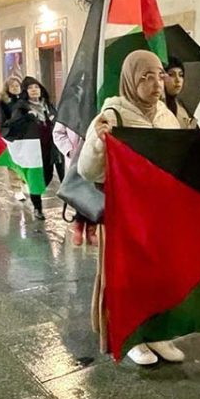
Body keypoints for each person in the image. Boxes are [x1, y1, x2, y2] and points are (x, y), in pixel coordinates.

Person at [79, 50, 184, 366]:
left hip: (160, 212)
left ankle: (156, 333)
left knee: (159, 275)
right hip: (125, 214)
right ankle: (133, 336)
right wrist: (99, 142)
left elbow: (177, 159)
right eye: (146, 77)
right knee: (128, 276)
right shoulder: (112, 115)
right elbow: (88, 170)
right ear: (130, 80)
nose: (157, 84)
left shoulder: (167, 115)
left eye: (159, 75)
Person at [5, 77, 63, 220]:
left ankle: (33, 191)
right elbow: (12, 125)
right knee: (36, 179)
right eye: (30, 88)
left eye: (36, 87)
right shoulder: (21, 107)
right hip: (32, 149)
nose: (34, 90)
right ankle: (38, 208)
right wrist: (26, 118)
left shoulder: (48, 105)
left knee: (48, 176)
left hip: (50, 148)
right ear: (26, 91)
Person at [52, 122, 99, 247]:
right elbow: (57, 133)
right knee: (80, 196)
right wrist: (70, 151)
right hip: (76, 162)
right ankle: (78, 228)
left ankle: (91, 230)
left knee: (95, 197)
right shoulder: (69, 111)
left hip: (96, 161)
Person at [0, 76, 27, 201]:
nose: (15, 88)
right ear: (7, 88)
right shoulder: (3, 101)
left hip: (26, 135)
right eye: (12, 86)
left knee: (26, 162)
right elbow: (1, 119)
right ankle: (16, 188)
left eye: (17, 85)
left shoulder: (25, 100)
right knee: (13, 163)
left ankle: (24, 183)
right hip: (10, 135)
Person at [163, 56, 198, 129]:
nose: (178, 80)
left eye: (181, 75)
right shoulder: (153, 107)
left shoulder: (182, 107)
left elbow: (193, 132)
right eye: (171, 74)